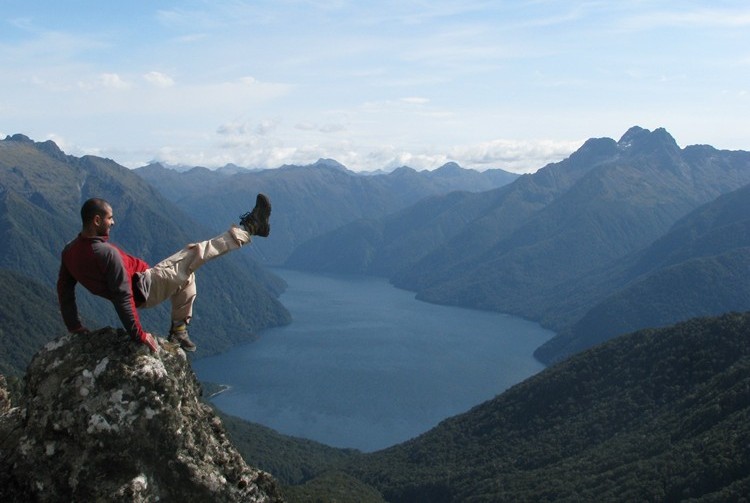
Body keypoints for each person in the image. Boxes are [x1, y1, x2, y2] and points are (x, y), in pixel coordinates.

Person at [57, 194, 271, 353]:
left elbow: (64, 291)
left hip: (147, 281)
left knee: (187, 276)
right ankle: (250, 227)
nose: (113, 222)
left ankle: (179, 329)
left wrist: (74, 326)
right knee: (198, 252)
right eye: (109, 218)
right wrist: (139, 336)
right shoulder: (104, 253)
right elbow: (122, 297)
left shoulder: (70, 251)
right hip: (148, 287)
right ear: (96, 220)